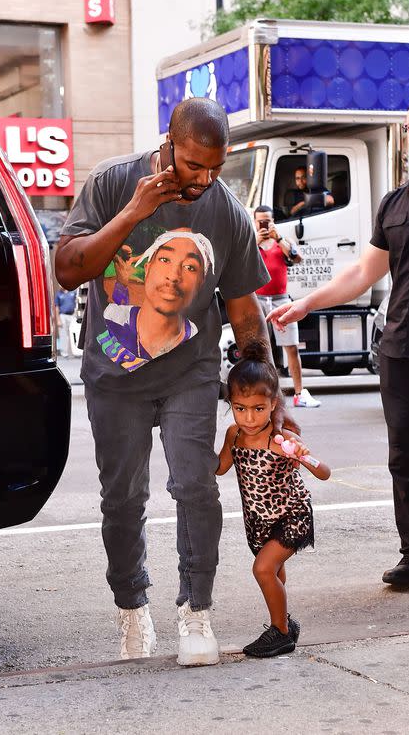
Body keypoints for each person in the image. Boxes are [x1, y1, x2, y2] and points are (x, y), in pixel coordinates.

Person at [55, 97, 297, 666]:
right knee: (123, 499)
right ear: (168, 144)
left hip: (191, 370)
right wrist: (133, 214)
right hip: (116, 375)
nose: (203, 179)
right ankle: (133, 609)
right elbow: (68, 269)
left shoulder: (229, 213)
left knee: (196, 487)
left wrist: (269, 389)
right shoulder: (114, 183)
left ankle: (197, 610)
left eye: (214, 167)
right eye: (192, 165)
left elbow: (242, 314)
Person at [268, 95, 409, 591]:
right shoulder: (395, 202)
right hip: (401, 347)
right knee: (404, 455)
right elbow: (364, 272)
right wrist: (306, 303)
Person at [216, 341, 330, 657]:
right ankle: (285, 623)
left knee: (263, 570)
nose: (249, 418)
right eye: (240, 408)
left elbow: (325, 473)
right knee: (274, 573)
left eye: (258, 409)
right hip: (258, 521)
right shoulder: (233, 435)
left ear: (273, 405)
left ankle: (280, 632)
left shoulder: (280, 438)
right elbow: (221, 467)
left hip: (292, 515)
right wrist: (195, 453)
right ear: (231, 403)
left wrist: (305, 456)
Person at [102, 229, 213, 362]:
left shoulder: (194, 339)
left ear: (201, 283)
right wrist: (121, 283)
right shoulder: (112, 318)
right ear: (147, 269)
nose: (173, 276)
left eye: (189, 267)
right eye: (165, 259)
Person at [254, 205, 321, 408]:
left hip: (281, 300)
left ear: (273, 221)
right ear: (255, 221)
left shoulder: (282, 241)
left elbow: (297, 258)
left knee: (291, 346)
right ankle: (264, 394)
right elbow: (240, 262)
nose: (264, 225)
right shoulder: (250, 243)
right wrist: (254, 242)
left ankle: (299, 394)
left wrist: (279, 238)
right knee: (261, 350)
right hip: (258, 300)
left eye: (268, 221)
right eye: (260, 221)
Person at [55, 286, 77, 358]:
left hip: (72, 316)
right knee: (63, 335)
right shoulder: (59, 294)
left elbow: (76, 303)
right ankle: (64, 353)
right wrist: (58, 320)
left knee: (72, 334)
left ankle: (73, 352)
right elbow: (56, 307)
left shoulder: (73, 292)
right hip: (62, 316)